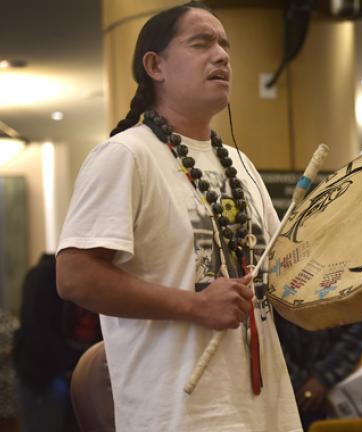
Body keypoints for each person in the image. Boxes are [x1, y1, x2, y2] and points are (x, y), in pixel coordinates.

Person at [56, 2, 301, 431]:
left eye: (225, 44)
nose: (222, 54)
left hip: (268, 414)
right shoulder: (125, 155)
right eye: (202, 42)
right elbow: (74, 276)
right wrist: (195, 305)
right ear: (155, 65)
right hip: (179, 415)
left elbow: (280, 277)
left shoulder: (240, 164)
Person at [12, 253, 101, 432]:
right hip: (43, 379)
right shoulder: (44, 276)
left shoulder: (94, 277)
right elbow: (37, 333)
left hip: (78, 377)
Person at [275, 313, 362, 430]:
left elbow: (359, 329)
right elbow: (267, 334)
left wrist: (324, 378)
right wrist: (297, 381)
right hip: (280, 386)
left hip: (339, 386)